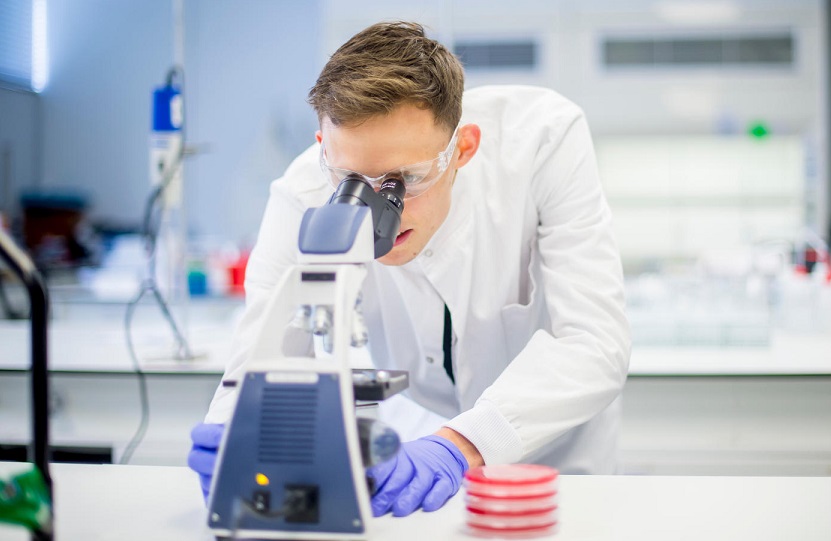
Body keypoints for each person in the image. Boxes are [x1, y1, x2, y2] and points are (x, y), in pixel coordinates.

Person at [187, 21, 630, 518]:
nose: (380, 211)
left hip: (550, 465)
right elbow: (262, 353)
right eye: (350, 178)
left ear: (463, 148)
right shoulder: (301, 195)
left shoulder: (543, 141)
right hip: (405, 472)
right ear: (321, 147)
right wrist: (234, 437)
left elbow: (593, 342)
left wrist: (459, 445)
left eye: (405, 181)